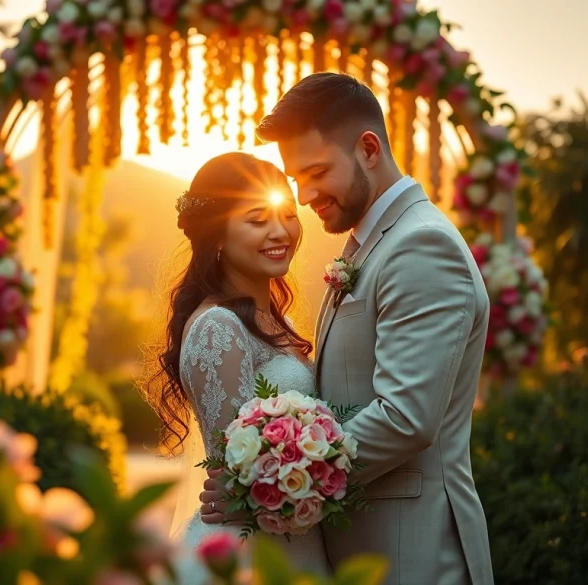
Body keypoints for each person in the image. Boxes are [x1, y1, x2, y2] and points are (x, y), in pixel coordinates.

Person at [199, 72, 496, 585]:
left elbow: (405, 417)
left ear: (368, 149)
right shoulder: (373, 244)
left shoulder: (420, 246)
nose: (305, 195)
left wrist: (263, 481)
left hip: (410, 554)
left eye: (316, 171)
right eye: (296, 178)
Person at [141, 151, 331, 583]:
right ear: (219, 235)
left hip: (296, 540)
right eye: (257, 219)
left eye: (288, 215)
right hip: (246, 554)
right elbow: (238, 475)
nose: (280, 231)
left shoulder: (277, 320)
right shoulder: (217, 328)